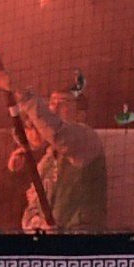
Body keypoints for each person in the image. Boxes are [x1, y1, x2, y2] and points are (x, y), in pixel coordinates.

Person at [19, 89, 108, 232]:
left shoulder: (87, 138)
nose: (53, 108)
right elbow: (32, 208)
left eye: (62, 104)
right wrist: (39, 225)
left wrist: (26, 99)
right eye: (51, 103)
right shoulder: (46, 161)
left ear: (81, 115)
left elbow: (58, 133)